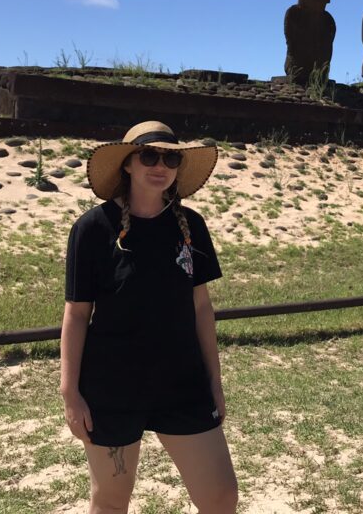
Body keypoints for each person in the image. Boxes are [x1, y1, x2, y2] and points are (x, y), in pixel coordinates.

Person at [60, 120, 238, 513]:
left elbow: (201, 308)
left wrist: (215, 381)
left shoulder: (191, 226)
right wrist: (70, 393)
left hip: (183, 383)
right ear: (127, 163)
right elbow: (76, 315)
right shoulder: (91, 229)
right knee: (110, 501)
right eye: (149, 155)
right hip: (112, 388)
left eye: (171, 158)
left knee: (222, 496)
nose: (160, 165)